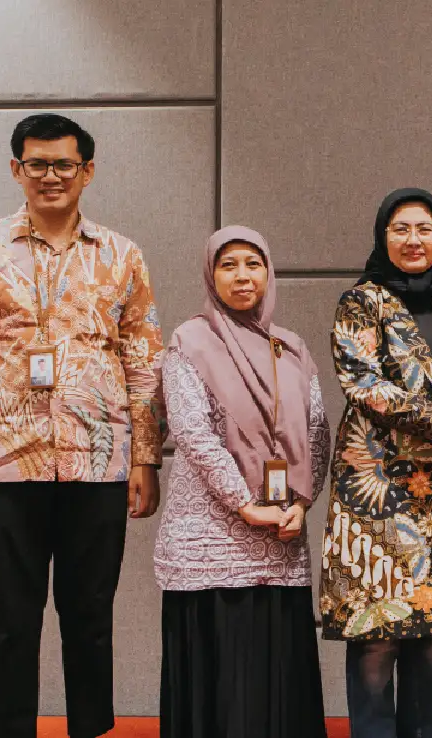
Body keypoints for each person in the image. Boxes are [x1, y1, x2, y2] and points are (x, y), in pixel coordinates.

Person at [0, 113, 163, 738]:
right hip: (4, 460)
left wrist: (145, 458)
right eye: (37, 165)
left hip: (97, 462)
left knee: (90, 617)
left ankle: (90, 729)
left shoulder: (121, 255)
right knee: (10, 620)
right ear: (16, 171)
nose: (50, 176)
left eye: (63, 165)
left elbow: (143, 362)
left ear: (87, 171)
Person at [318, 188, 432, 737]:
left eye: (424, 228)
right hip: (377, 495)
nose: (413, 240)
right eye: (401, 229)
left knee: (429, 635)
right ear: (382, 237)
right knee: (377, 638)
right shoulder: (360, 303)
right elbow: (367, 388)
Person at [154, 226, 331, 738]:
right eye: (227, 264)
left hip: (279, 539)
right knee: (222, 682)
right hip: (209, 539)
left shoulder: (291, 349)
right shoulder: (190, 342)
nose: (242, 275)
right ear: (210, 275)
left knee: (273, 679)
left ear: (268, 272)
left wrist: (302, 501)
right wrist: (243, 505)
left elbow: (317, 432)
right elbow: (192, 433)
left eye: (253, 264)